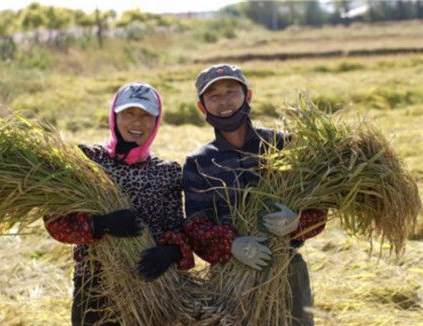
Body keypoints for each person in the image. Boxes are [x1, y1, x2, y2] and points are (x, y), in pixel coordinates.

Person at [182, 64, 327, 325]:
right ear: (202, 107)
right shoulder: (199, 162)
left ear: (247, 96)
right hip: (231, 276)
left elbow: (318, 209)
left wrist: (297, 223)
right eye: (213, 96)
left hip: (287, 270)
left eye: (231, 91)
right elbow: (195, 226)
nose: (224, 101)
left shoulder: (284, 145)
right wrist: (231, 245)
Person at [43, 82, 194, 326]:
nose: (137, 123)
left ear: (156, 122)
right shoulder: (88, 161)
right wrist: (101, 224)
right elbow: (56, 222)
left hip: (151, 287)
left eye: (146, 116)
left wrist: (171, 252)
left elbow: (178, 230)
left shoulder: (167, 172)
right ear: (114, 116)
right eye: (129, 114)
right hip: (96, 287)